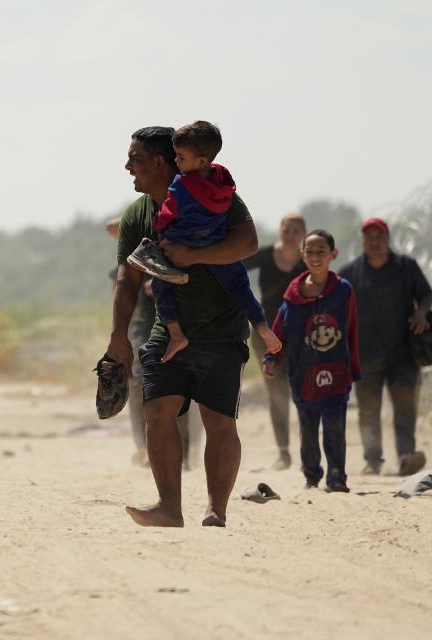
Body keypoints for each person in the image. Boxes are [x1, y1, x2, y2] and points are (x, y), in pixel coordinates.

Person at [105, 125, 258, 528]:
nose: (127, 167)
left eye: (134, 160)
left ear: (159, 163)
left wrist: (194, 254)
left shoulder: (213, 194)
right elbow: (127, 278)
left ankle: (216, 509)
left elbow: (247, 243)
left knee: (219, 421)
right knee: (157, 409)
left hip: (221, 327)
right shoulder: (138, 214)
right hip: (167, 327)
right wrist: (118, 336)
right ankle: (169, 507)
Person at [128, 121, 281, 364]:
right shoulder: (223, 180)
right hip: (215, 240)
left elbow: (169, 212)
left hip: (182, 242)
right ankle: (263, 327)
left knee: (159, 285)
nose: (176, 162)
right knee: (240, 287)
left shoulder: (181, 184)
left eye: (180, 157)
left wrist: (159, 225)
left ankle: (176, 335)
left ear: (199, 161)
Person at [262, 230, 360, 492]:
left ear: (333, 255)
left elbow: (351, 331)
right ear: (302, 255)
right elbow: (279, 332)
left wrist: (354, 368)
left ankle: (337, 477)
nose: (316, 257)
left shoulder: (343, 291)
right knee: (307, 429)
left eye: (322, 252)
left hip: (337, 372)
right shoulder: (293, 295)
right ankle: (312, 476)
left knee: (336, 427)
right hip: (302, 375)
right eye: (311, 252)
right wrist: (272, 356)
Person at [338, 217, 432, 476]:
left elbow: (426, 294)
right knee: (368, 410)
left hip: (403, 353)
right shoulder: (350, 272)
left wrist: (422, 312)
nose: (375, 243)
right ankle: (373, 460)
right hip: (365, 354)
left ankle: (405, 457)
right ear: (363, 241)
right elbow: (335, 302)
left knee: (404, 407)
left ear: (388, 239)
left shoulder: (406, 266)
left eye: (380, 238)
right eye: (370, 238)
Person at [105, 224, 201, 469]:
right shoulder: (130, 262)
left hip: (179, 327)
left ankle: (185, 452)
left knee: (182, 389)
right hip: (141, 329)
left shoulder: (177, 252)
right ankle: (144, 448)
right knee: (137, 384)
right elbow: (112, 226)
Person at [243, 214, 308, 470]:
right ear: (280, 231)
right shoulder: (266, 255)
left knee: (303, 392)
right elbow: (234, 268)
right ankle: (283, 453)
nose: (290, 233)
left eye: (295, 230)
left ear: (303, 234)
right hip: (265, 332)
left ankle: (308, 450)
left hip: (300, 336)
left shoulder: (308, 261)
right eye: (286, 229)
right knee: (276, 392)